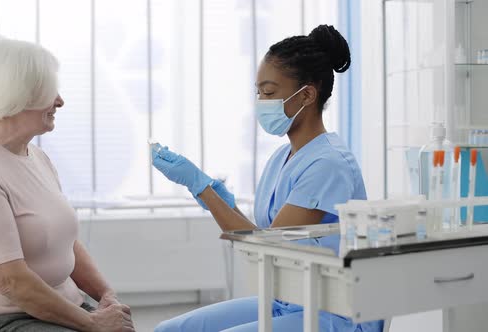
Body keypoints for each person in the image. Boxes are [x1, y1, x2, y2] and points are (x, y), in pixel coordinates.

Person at [151, 25, 383, 332]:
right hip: (289, 300)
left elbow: (267, 248)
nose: (261, 101)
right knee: (169, 330)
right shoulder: (283, 157)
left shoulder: (329, 163)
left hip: (335, 311)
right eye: (258, 92)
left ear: (308, 95)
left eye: (270, 92)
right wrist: (220, 200)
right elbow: (265, 237)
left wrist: (201, 187)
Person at [0, 39, 135, 332]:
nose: (59, 101)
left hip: (54, 311)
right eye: (49, 92)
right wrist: (93, 324)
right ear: (17, 96)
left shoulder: (37, 158)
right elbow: (10, 280)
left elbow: (65, 242)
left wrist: (106, 296)